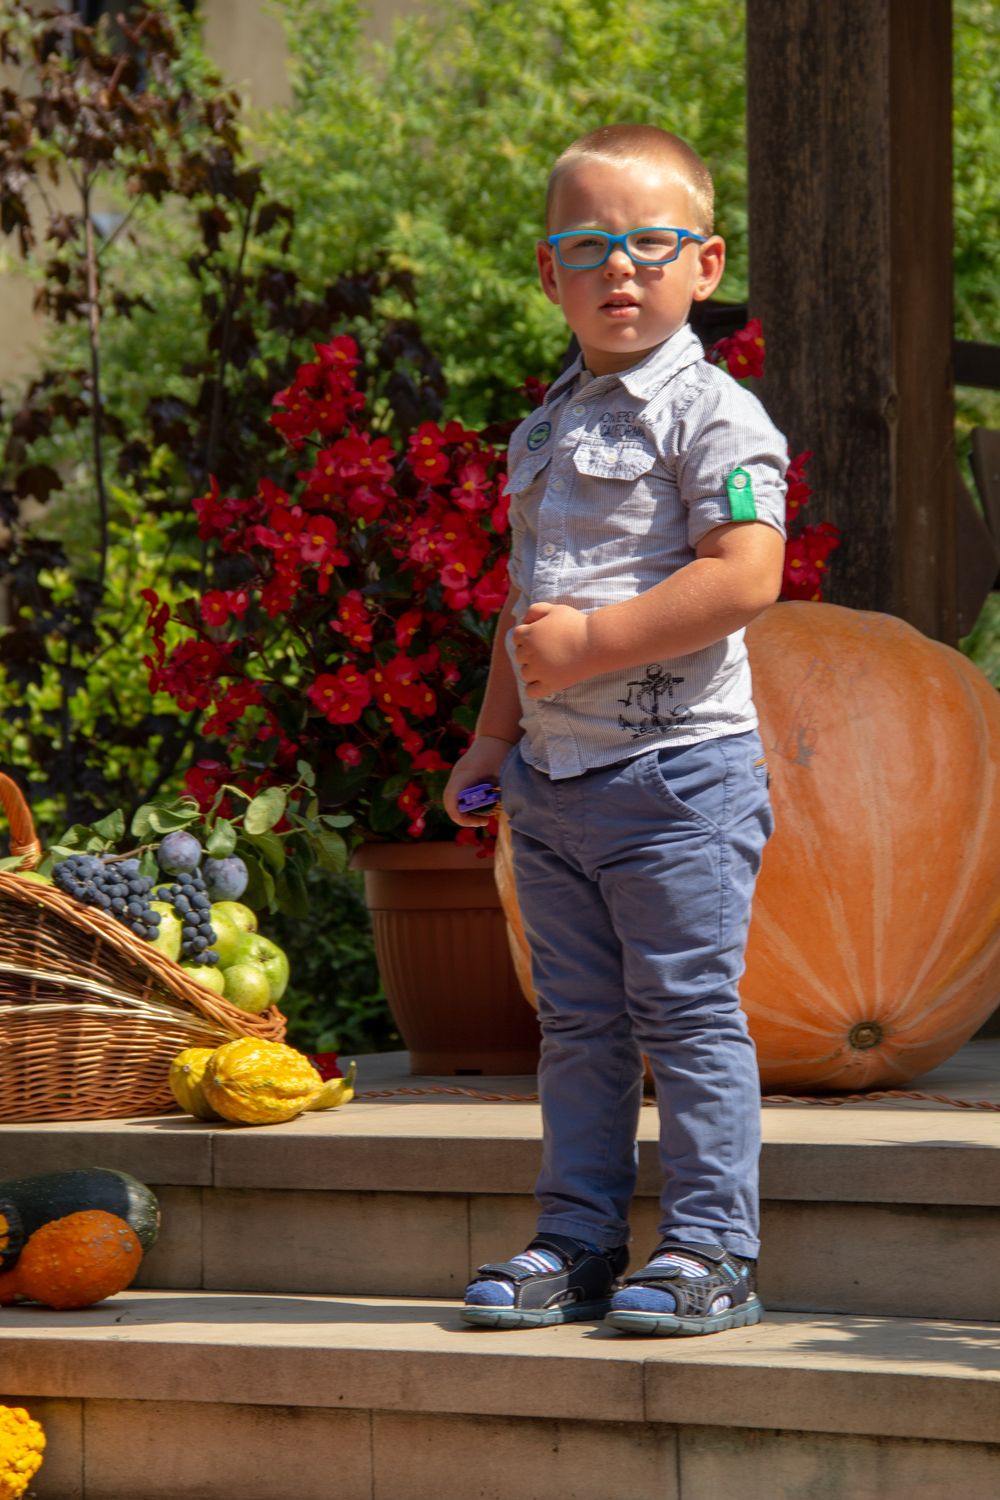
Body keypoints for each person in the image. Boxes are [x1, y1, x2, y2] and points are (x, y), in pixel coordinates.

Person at [443, 123, 787, 1338]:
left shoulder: (714, 416)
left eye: (650, 243)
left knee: (686, 1017)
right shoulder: (542, 431)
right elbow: (523, 604)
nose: (620, 269)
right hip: (551, 786)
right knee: (579, 1026)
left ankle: (711, 1250)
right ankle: (579, 1238)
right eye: (588, 247)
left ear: (706, 263)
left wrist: (592, 645)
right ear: (551, 274)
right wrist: (493, 741)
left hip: (677, 778)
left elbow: (746, 575)